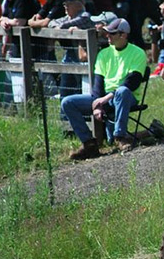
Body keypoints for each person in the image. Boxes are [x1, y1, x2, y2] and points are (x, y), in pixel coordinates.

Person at [61, 18, 146, 160]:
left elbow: (132, 82)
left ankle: (120, 137)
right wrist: (97, 105)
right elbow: (98, 83)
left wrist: (106, 99)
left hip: (126, 97)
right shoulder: (104, 54)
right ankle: (89, 144)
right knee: (67, 102)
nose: (108, 37)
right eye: (107, 34)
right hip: (104, 97)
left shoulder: (138, 53)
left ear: (123, 35)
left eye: (112, 34)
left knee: (122, 92)